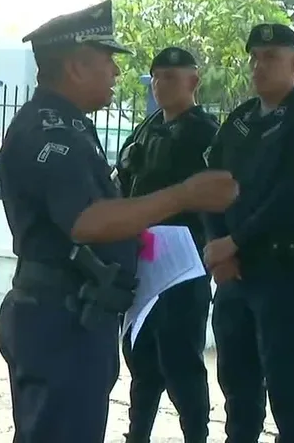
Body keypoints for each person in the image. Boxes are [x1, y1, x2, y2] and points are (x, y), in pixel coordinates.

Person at [0, 0, 238, 443]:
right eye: (107, 60)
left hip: (78, 312)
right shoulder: (52, 132)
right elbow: (88, 220)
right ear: (75, 67)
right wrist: (185, 194)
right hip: (63, 315)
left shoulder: (69, 126)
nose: (116, 72)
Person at [203, 23, 294, 443]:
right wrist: (218, 246)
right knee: (237, 382)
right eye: (255, 58)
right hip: (234, 271)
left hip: (284, 270)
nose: (259, 66)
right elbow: (213, 181)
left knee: (285, 381)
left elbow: (293, 198)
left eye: (271, 58)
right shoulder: (241, 118)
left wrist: (235, 240)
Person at [116, 47, 218, 443]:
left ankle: (196, 433)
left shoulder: (206, 134)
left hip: (183, 261)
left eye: (171, 77)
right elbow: (124, 181)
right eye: (157, 76)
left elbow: (217, 195)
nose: (161, 85)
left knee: (180, 358)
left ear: (193, 81)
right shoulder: (146, 129)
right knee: (141, 354)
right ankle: (137, 433)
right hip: (143, 255)